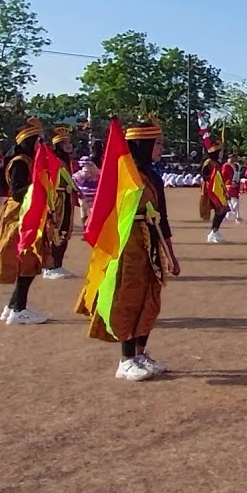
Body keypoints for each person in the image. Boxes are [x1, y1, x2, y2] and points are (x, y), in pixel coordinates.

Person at [77, 117, 181, 381]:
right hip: (128, 244)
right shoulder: (124, 175)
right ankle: (126, 359)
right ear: (143, 144)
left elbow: (163, 218)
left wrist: (171, 254)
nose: (160, 148)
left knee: (150, 298)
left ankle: (140, 352)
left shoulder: (153, 177)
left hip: (151, 243)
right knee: (128, 298)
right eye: (156, 143)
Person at [0, 118, 51, 325]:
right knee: (27, 261)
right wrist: (42, 189)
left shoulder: (26, 160)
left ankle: (13, 306)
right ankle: (19, 308)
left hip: (23, 212)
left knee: (28, 262)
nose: (41, 144)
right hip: (20, 214)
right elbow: (18, 192)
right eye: (38, 140)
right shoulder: (20, 162)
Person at [42, 126, 78, 279]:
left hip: (66, 198)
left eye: (69, 142)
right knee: (55, 231)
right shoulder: (54, 161)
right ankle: (50, 267)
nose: (69, 145)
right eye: (65, 143)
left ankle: (58, 264)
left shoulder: (65, 160)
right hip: (58, 199)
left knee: (65, 231)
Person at [199, 141, 230, 243]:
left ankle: (214, 231)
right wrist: (212, 178)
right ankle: (214, 232)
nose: (222, 153)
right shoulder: (208, 162)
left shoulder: (217, 162)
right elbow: (204, 175)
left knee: (222, 209)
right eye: (220, 151)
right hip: (210, 189)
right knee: (221, 208)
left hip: (218, 188)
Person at [73, 156, 99, 227]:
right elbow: (75, 181)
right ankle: (86, 227)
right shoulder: (79, 174)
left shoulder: (96, 171)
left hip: (93, 194)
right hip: (84, 195)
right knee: (84, 211)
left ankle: (89, 227)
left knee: (91, 211)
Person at [222, 152, 242, 224]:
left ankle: (237, 217)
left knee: (236, 201)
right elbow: (223, 177)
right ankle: (228, 214)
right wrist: (230, 182)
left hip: (236, 185)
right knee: (233, 201)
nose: (234, 158)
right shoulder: (226, 166)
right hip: (229, 186)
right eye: (232, 157)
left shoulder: (237, 165)